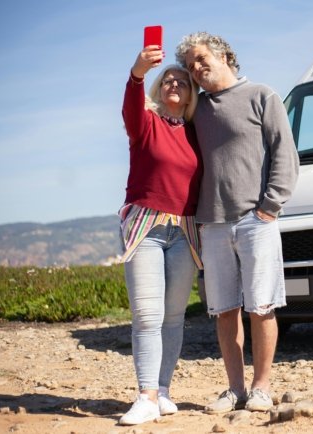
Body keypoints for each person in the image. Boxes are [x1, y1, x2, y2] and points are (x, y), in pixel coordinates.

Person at [175, 32, 299, 414]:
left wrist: (269, 207)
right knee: (225, 310)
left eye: (200, 59)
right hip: (212, 224)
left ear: (223, 54)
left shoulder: (264, 95)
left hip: (255, 220)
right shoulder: (198, 110)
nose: (196, 69)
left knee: (261, 306)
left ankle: (261, 388)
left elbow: (285, 155)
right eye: (191, 65)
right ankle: (234, 389)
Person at [117, 44, 203, 425]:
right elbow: (131, 107)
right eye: (167, 79)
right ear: (158, 89)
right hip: (146, 228)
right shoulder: (146, 123)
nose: (174, 83)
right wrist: (137, 73)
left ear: (190, 94)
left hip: (185, 231)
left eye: (182, 82)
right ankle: (146, 395)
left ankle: (163, 390)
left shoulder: (197, 133)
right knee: (147, 316)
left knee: (173, 317)